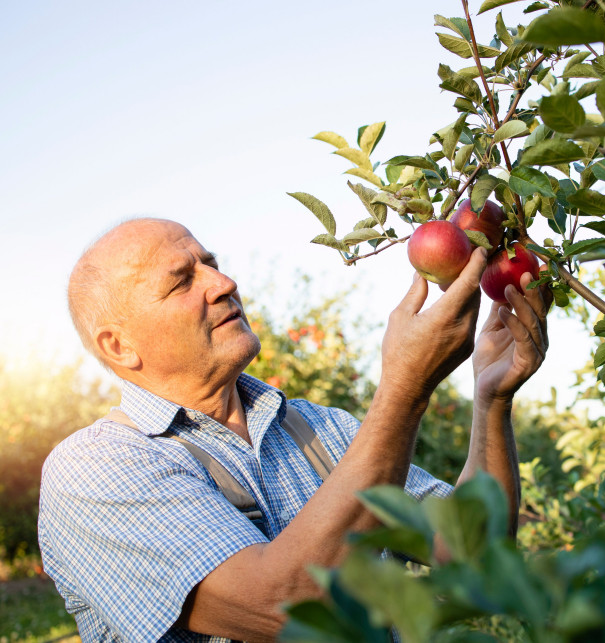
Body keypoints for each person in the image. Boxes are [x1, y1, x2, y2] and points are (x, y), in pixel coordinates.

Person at [38, 217, 551, 642]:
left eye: (211, 265)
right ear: (120, 347)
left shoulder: (318, 429)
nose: (223, 283)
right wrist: (405, 389)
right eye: (181, 281)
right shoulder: (94, 469)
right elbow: (284, 608)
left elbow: (472, 550)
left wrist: (490, 400)